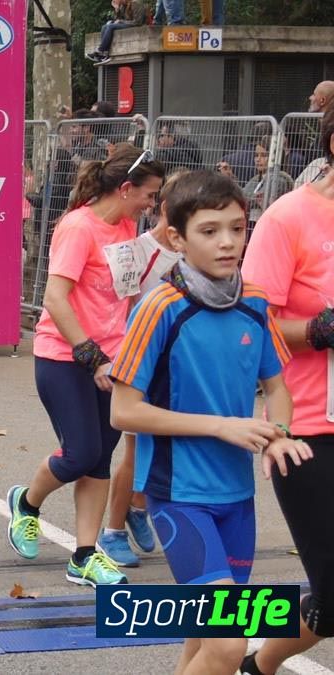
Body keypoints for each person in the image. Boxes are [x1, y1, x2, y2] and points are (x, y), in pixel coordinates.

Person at [111, 169, 306, 675]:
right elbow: (123, 410)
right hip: (180, 498)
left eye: (238, 228)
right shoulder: (160, 308)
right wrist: (221, 426)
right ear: (176, 237)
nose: (227, 242)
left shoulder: (256, 302)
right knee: (228, 647)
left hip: (237, 499)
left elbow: (278, 388)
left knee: (203, 640)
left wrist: (277, 436)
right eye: (210, 230)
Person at [6, 144, 165, 587]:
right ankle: (27, 502)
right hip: (65, 355)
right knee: (79, 452)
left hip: (113, 359)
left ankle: (83, 556)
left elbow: (128, 288)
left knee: (100, 459)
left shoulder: (128, 226)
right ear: (126, 188)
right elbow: (56, 299)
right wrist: (90, 354)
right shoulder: (78, 227)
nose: (151, 204)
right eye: (149, 195)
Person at [240, 109, 334, 675]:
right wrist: (321, 330)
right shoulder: (290, 218)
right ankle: (256, 663)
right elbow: (250, 326)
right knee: (333, 597)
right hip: (311, 431)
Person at [98, 169, 187, 568]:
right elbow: (123, 309)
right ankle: (112, 529)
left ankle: (138, 506)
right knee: (136, 451)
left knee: (171, 450)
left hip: (183, 368)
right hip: (143, 366)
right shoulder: (136, 250)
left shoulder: (196, 251)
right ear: (168, 210)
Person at [243, 138, 294, 233]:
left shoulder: (279, 179)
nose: (258, 159)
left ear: (274, 158)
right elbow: (243, 197)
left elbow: (266, 202)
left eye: (264, 155)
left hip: (266, 227)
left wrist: (252, 199)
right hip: (251, 225)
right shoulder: (256, 178)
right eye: (256, 155)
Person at [87, 0, 148, 65]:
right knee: (104, 27)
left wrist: (121, 22)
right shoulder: (123, 6)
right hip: (128, 24)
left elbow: (138, 22)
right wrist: (117, 9)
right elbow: (117, 20)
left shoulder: (136, 3)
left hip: (136, 26)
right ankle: (104, 54)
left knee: (110, 27)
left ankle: (101, 51)